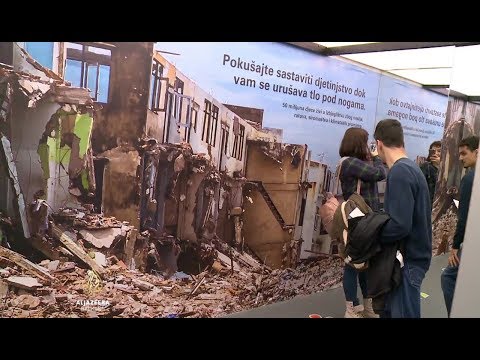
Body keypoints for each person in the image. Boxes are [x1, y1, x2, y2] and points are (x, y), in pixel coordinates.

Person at [373, 119, 432, 318]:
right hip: (413, 259)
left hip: (407, 263)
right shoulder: (412, 169)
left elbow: (399, 225)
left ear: (379, 144)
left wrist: (373, 235)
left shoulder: (399, 172)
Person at [337, 127, 387, 318]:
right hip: (358, 221)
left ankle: (366, 307)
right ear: (359, 143)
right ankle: (351, 309)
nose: (368, 146)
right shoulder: (349, 163)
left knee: (365, 265)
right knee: (352, 265)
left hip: (366, 220)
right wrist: (375, 157)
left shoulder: (355, 163)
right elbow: (380, 174)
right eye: (365, 142)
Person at [441, 135, 478, 317]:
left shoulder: (471, 179)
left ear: (476, 152)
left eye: (464, 153)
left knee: (448, 277)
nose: (461, 158)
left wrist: (455, 246)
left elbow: (464, 217)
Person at [420, 140, 442, 206]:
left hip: (439, 203)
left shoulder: (447, 169)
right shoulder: (425, 166)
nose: (436, 153)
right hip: (427, 203)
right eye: (433, 151)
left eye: (439, 151)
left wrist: (440, 165)